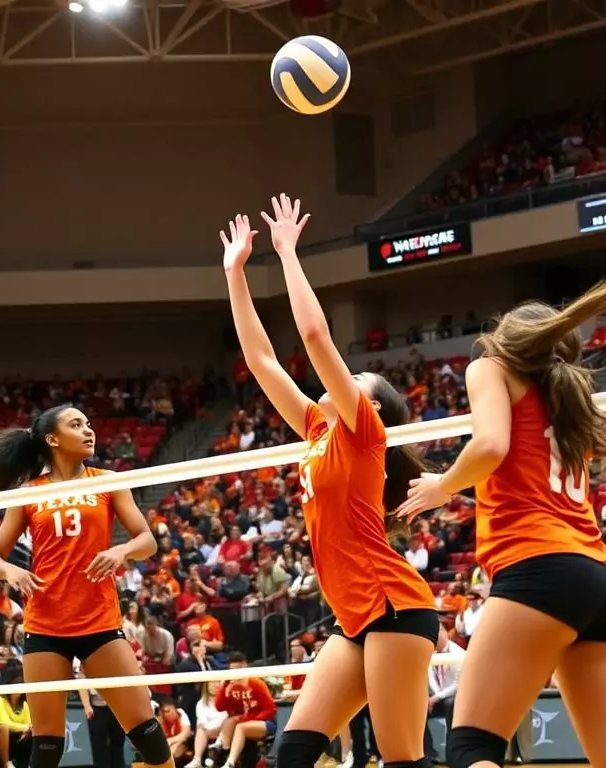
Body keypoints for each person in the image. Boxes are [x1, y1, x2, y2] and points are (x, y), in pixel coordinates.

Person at [398, 262, 606, 768]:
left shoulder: (489, 368)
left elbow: (491, 445)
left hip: (542, 568)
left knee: (473, 746)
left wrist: (442, 486)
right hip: (604, 579)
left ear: (507, 339)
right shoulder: (568, 400)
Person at [220, 196, 438, 768]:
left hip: (394, 608)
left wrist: (290, 253)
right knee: (293, 752)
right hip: (356, 616)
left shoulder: (365, 433)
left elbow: (316, 338)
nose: (337, 380)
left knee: (400, 758)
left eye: (353, 378)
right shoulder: (318, 428)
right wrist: (235, 274)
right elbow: (262, 360)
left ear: (369, 404)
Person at [0, 406, 172, 768]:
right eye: (77, 424)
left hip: (98, 621)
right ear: (53, 439)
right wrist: (12, 572)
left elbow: (147, 540)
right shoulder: (29, 493)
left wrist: (121, 550)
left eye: (89, 422)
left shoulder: (107, 481)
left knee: (147, 733)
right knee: (47, 746)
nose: (89, 430)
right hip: (45, 624)